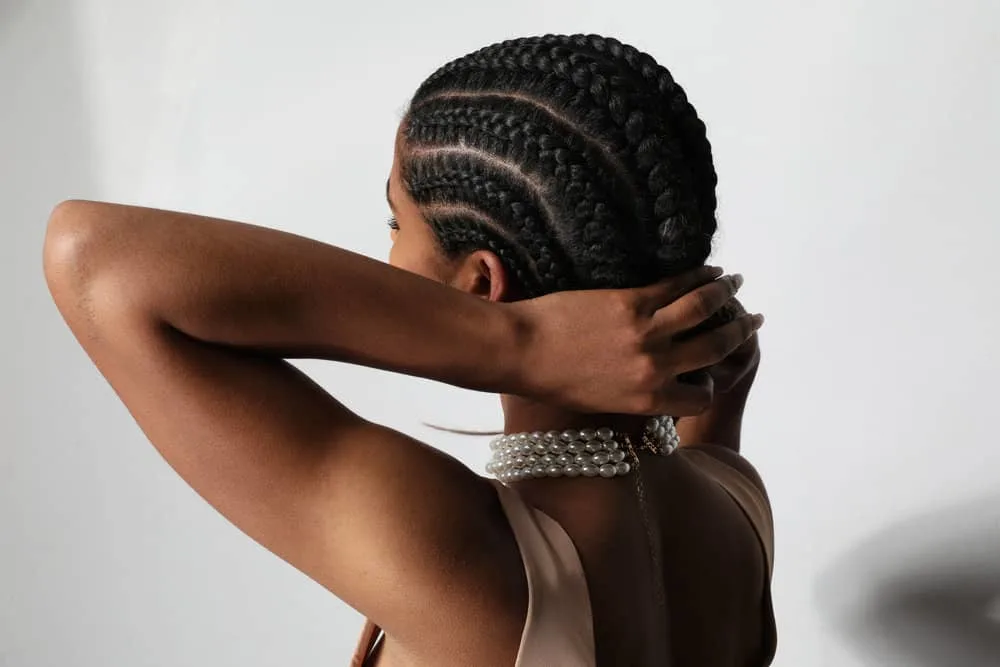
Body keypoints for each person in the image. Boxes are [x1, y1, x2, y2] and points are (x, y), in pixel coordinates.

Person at [42, 33, 775, 667]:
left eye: (394, 223)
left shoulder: (459, 557)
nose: (383, 253)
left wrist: (518, 342)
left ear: (481, 282)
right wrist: (709, 404)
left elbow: (92, 261)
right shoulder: (739, 510)